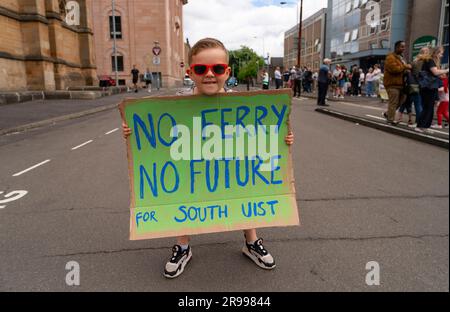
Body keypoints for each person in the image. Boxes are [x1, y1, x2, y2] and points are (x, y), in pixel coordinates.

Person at [121, 38, 295, 279]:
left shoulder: (244, 104)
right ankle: (182, 246)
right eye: (202, 69)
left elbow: (266, 136)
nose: (210, 74)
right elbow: (154, 139)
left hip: (230, 165)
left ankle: (251, 241)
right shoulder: (174, 104)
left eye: (218, 68)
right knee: (183, 188)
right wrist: (134, 132)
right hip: (191, 164)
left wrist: (282, 141)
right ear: (190, 72)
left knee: (245, 187)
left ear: (228, 71)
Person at [416, 46, 449, 132]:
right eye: (441, 53)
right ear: (436, 53)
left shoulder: (431, 61)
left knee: (429, 107)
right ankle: (420, 126)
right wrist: (446, 70)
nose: (441, 55)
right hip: (428, 87)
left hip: (430, 87)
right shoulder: (430, 60)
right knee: (427, 107)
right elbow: (435, 72)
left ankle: (425, 126)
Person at [382, 41, 412, 125]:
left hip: (402, 84)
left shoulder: (402, 58)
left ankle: (388, 113)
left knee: (402, 100)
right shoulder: (390, 57)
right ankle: (390, 120)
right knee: (393, 102)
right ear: (397, 47)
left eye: (404, 46)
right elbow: (394, 69)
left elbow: (402, 69)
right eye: (402, 47)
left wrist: (407, 69)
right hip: (392, 84)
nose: (403, 48)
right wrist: (406, 66)